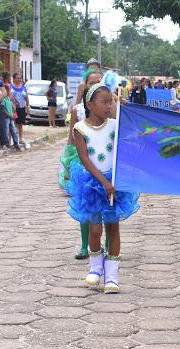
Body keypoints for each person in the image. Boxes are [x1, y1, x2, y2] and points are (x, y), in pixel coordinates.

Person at [67, 82, 139, 294]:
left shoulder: (115, 125)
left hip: (114, 183)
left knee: (113, 227)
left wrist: (124, 108)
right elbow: (85, 159)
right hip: (92, 183)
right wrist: (103, 182)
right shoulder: (80, 128)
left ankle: (113, 276)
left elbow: (133, 131)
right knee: (95, 229)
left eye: (111, 101)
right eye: (104, 102)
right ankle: (96, 266)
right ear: (89, 104)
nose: (109, 106)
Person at [61, 69, 105, 259]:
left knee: (109, 207)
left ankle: (110, 245)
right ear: (84, 85)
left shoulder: (111, 108)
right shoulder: (77, 110)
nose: (94, 85)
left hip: (105, 163)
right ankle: (85, 245)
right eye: (90, 82)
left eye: (98, 82)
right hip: (83, 162)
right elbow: (72, 140)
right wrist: (68, 164)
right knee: (85, 204)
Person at [1, 72, 20, 150]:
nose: (9, 91)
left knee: (13, 130)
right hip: (7, 116)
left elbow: (12, 106)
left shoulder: (8, 99)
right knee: (6, 130)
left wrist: (13, 111)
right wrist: (10, 115)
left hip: (10, 115)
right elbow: (3, 109)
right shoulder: (3, 99)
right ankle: (6, 143)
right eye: (8, 90)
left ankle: (16, 143)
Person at [10, 73, 29, 146]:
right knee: (12, 124)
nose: (19, 80)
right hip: (13, 108)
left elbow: (26, 97)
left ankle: (20, 139)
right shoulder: (11, 87)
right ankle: (11, 140)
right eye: (17, 78)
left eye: (20, 78)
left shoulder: (23, 87)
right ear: (14, 79)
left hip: (21, 108)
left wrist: (27, 106)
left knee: (20, 124)